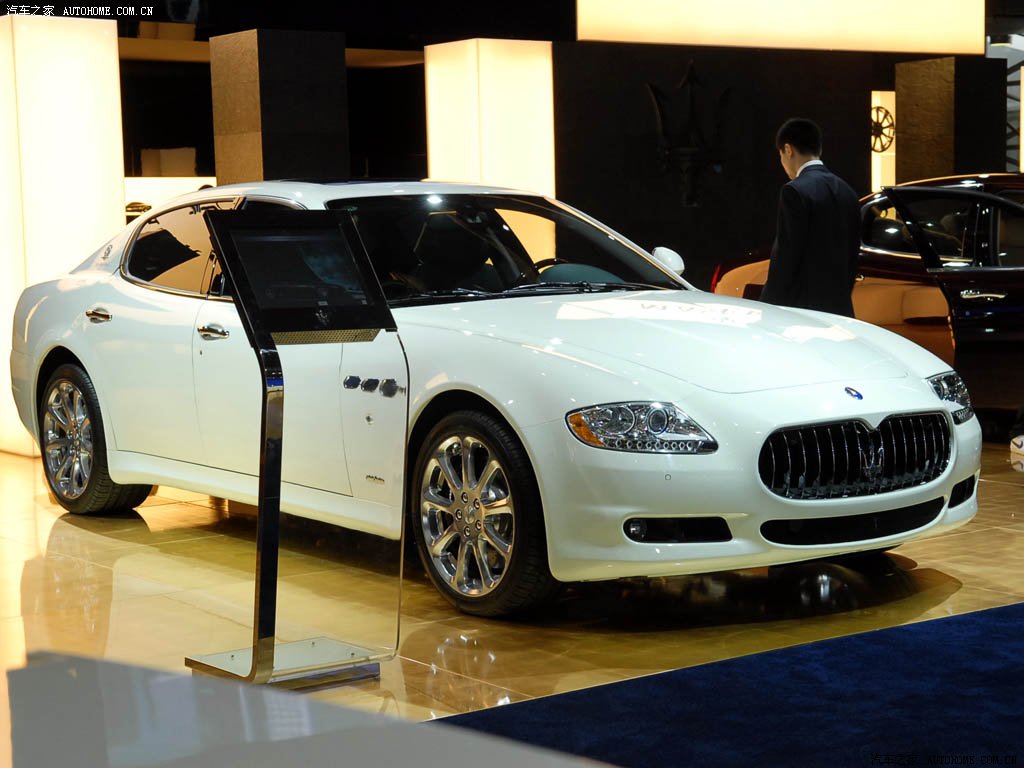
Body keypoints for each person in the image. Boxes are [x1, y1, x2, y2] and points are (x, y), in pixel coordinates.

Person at [760, 118, 861, 317]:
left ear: (788, 149)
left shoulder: (795, 190)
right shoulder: (847, 191)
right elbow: (852, 255)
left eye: (780, 154)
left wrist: (767, 306)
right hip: (840, 309)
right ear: (818, 148)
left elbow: (786, 257)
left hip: (803, 311)